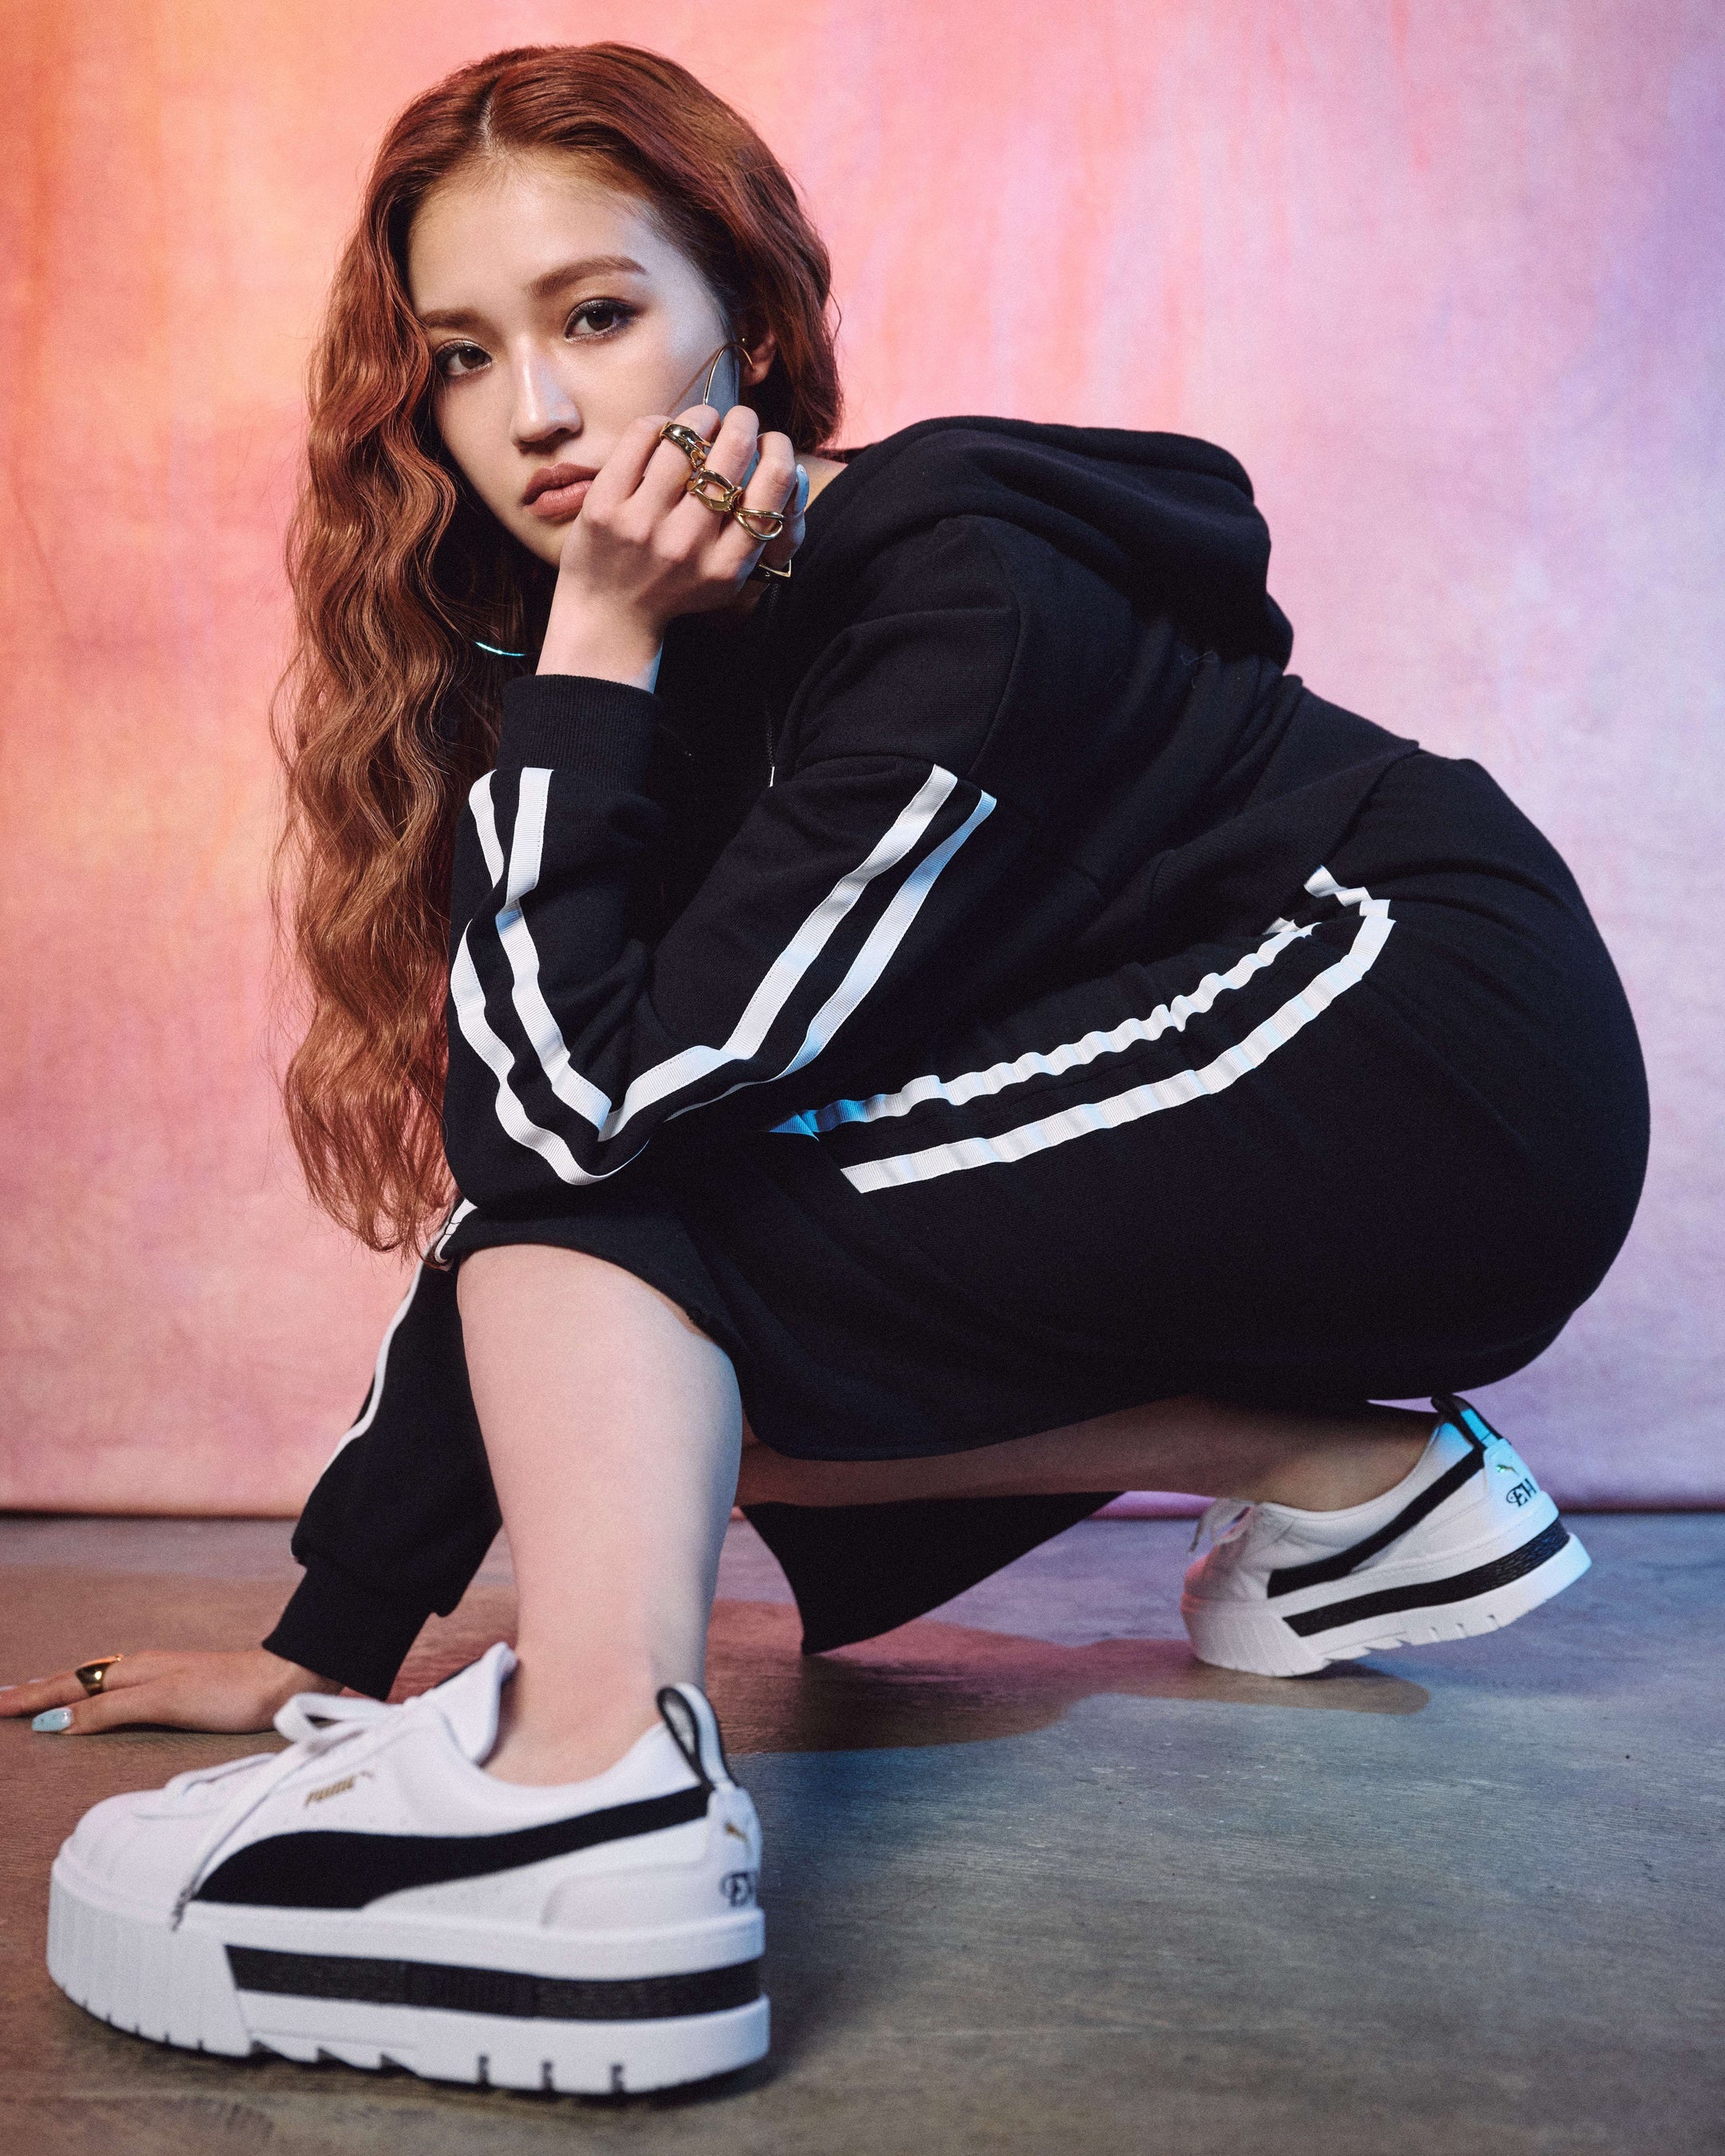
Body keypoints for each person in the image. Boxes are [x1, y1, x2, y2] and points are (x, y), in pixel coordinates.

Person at [3, 40, 1647, 2099]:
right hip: (1252, 1079)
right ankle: (1352, 1477)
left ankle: (586, 1802)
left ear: (754, 330)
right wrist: (322, 1641)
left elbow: (572, 1143)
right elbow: (552, 1148)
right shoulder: (673, 662)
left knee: (628, 1252)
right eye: (460, 356)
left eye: (597, 315)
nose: (531, 412)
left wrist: (593, 652)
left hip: (1419, 1036)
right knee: (623, 1399)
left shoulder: (957, 585)